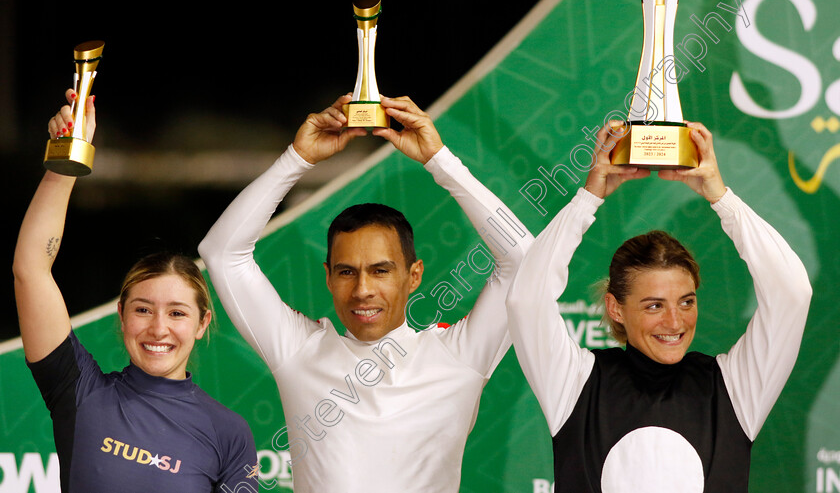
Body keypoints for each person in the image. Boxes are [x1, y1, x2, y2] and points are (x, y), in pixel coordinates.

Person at [199, 94, 534, 492]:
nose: (362, 290)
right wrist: (297, 158)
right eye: (346, 272)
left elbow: (524, 258)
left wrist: (439, 160)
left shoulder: (459, 355)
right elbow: (221, 253)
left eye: (380, 271)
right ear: (327, 276)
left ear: (414, 276)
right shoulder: (299, 350)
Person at [506, 122, 812, 492]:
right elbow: (526, 301)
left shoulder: (734, 389)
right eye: (654, 305)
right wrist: (588, 198)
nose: (675, 321)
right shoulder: (575, 383)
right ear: (615, 309)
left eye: (686, 301)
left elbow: (792, 292)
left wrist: (721, 197)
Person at [13, 90, 258, 493]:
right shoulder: (77, 390)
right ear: (122, 314)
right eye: (144, 309)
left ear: (202, 323)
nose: (159, 328)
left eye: (178, 313)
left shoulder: (229, 432)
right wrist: (64, 162)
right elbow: (30, 269)